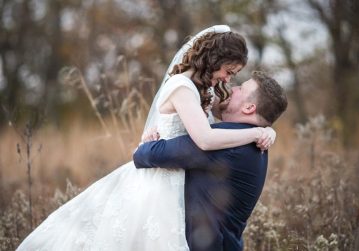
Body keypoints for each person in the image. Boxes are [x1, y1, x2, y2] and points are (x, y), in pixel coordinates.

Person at [16, 25, 275, 251]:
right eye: (229, 71)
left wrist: (269, 129)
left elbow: (235, 116)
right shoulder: (183, 87)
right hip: (159, 178)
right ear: (214, 59)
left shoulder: (205, 89)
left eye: (233, 75)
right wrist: (255, 133)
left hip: (174, 179)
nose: (229, 79)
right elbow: (206, 139)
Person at [133, 71, 288, 251]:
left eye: (240, 88)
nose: (233, 88)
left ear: (249, 108)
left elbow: (145, 155)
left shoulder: (227, 143)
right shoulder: (250, 141)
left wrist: (148, 142)